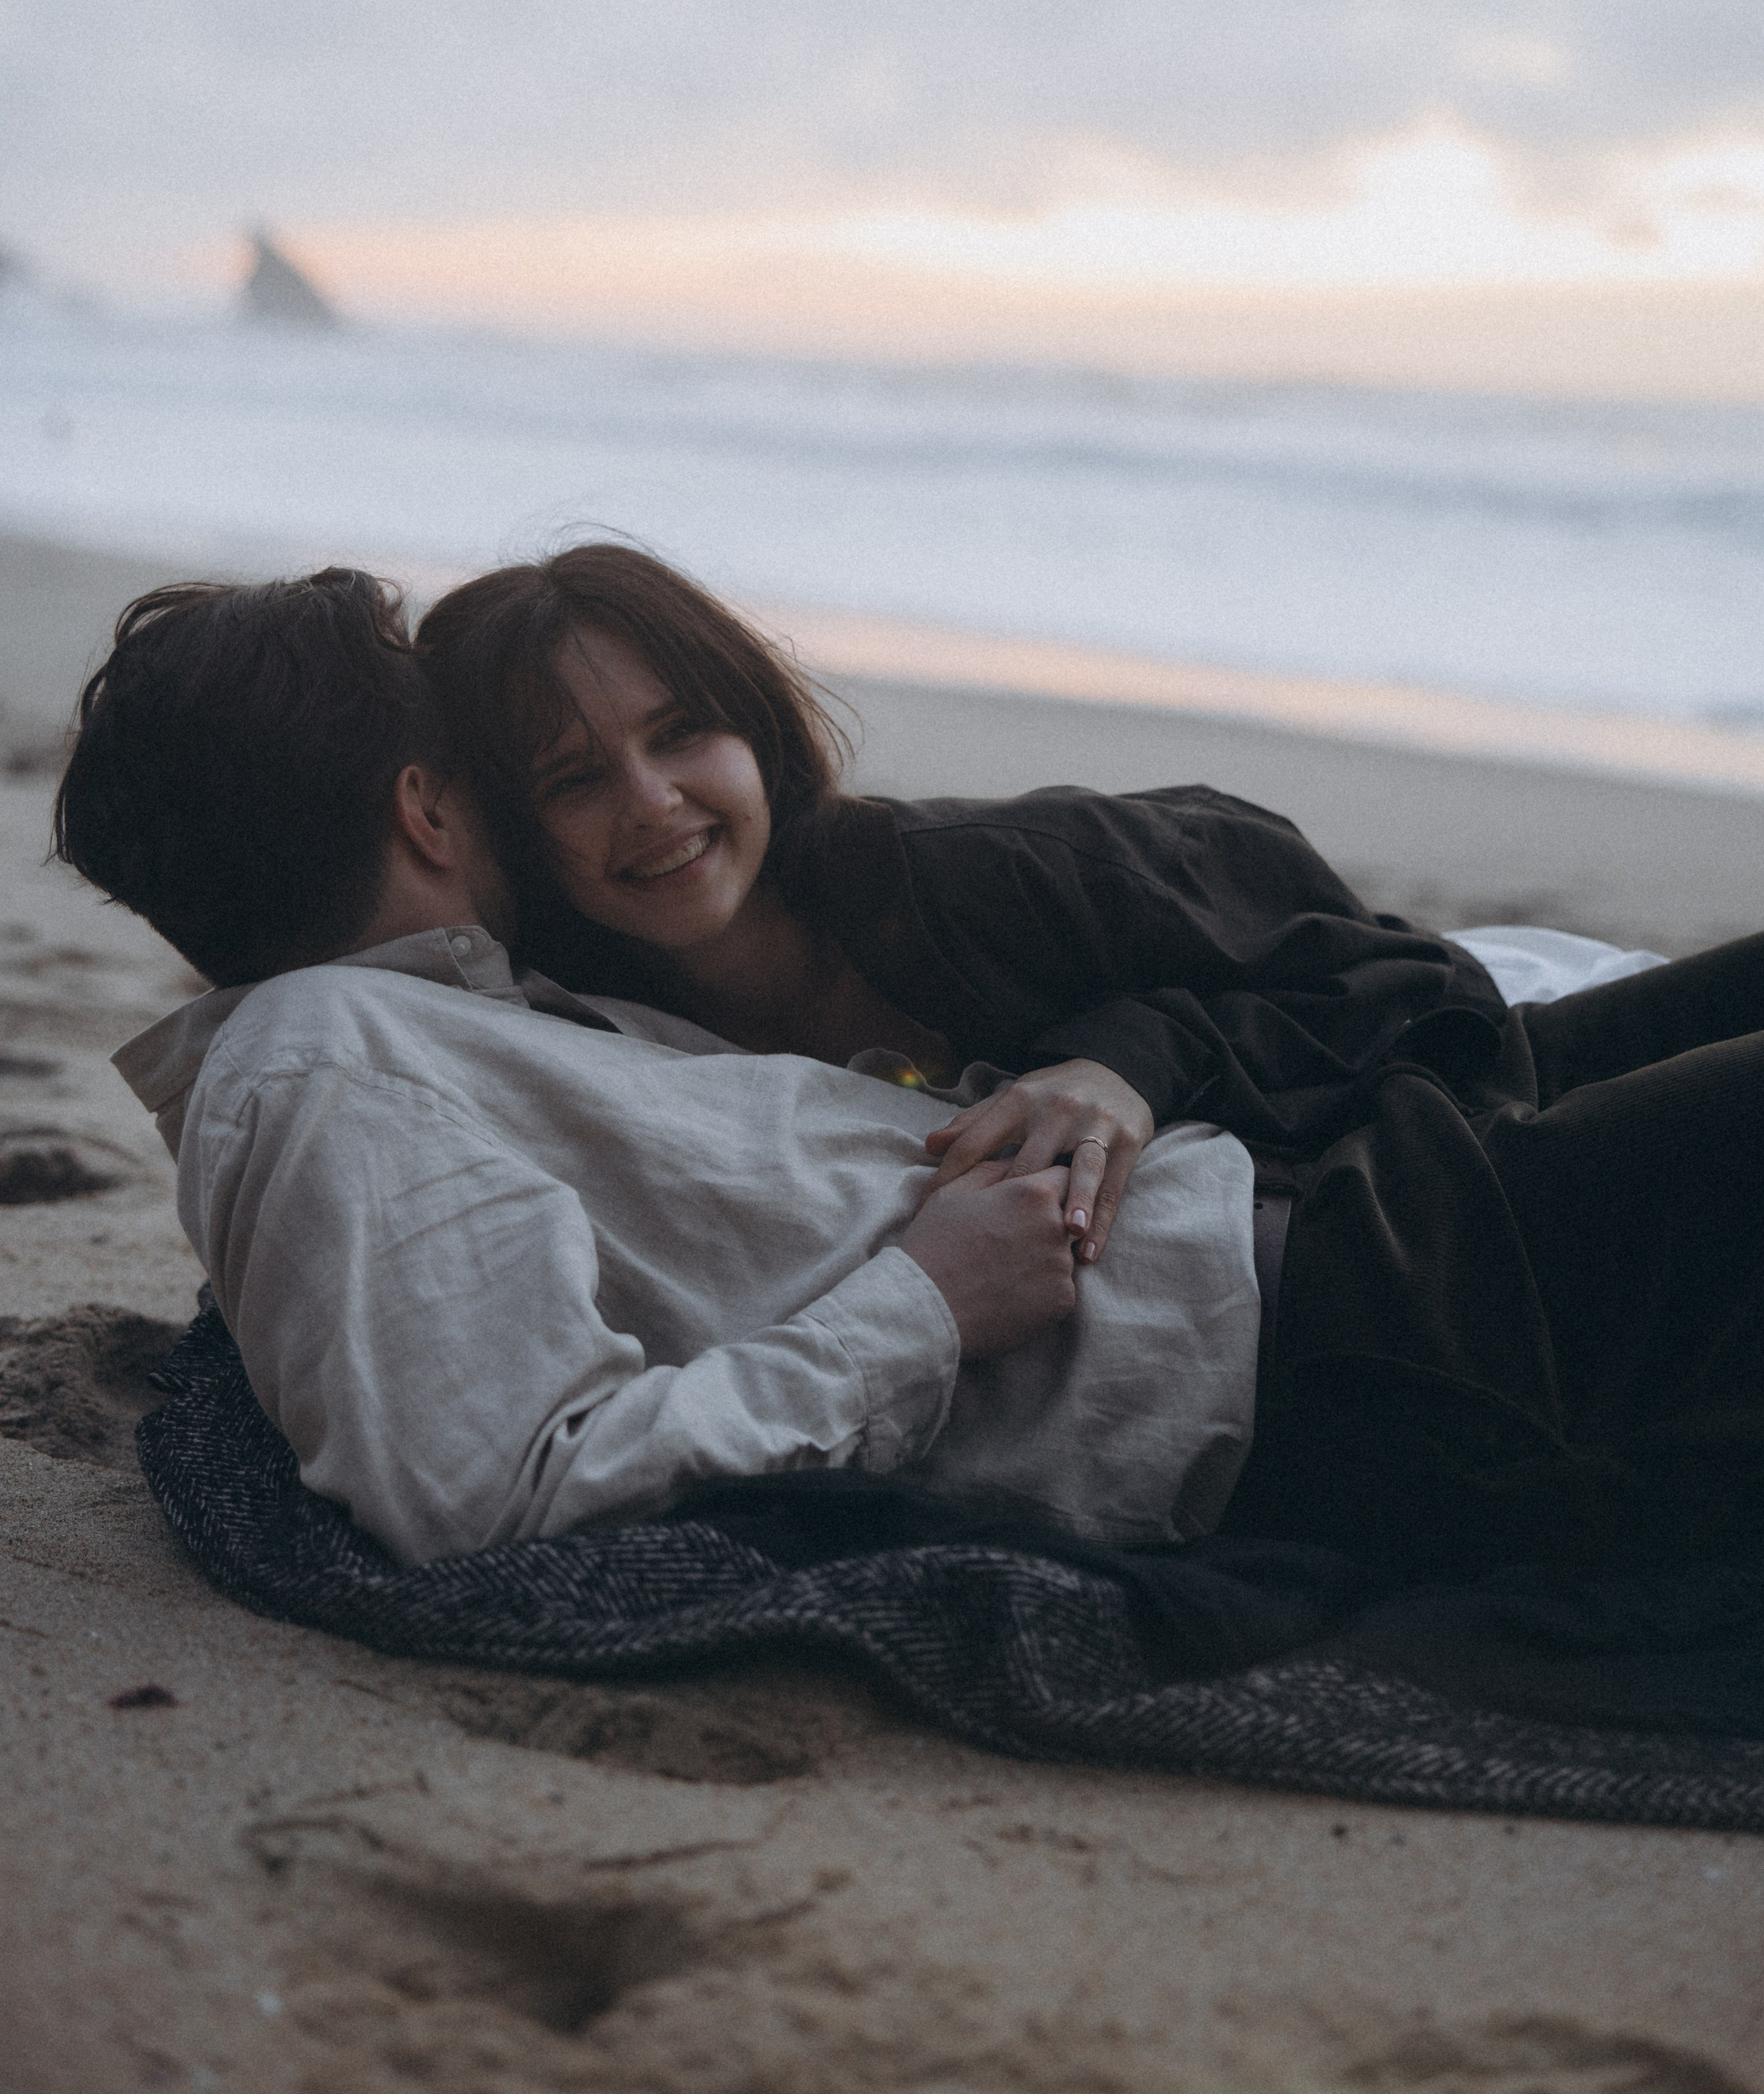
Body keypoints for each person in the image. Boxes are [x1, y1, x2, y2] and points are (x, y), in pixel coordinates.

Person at [57, 567, 1764, 1583]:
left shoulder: (453, 1023)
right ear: (432, 808)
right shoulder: (320, 1066)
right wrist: (922, 1311)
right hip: (1322, 1331)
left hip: (1305, 1212)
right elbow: (489, 1495)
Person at [413, 544, 1517, 1264]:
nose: (652, 804)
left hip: (1451, 1213)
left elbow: (1419, 982)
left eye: (681, 734)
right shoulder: (586, 1036)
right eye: (574, 779)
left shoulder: (993, 870)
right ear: (513, 830)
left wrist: (1132, 1059)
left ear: (755, 726)